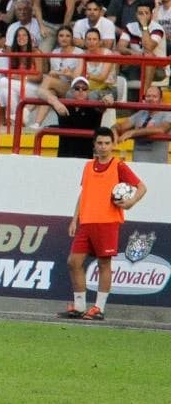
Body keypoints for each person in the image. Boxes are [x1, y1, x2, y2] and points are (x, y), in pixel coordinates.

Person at [60, 128, 147, 320]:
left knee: (103, 264)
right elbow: (84, 193)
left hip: (107, 222)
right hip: (87, 221)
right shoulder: (88, 166)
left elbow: (142, 187)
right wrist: (75, 218)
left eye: (107, 143)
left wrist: (131, 202)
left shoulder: (119, 166)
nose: (103, 147)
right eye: (100, 143)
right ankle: (80, 306)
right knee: (73, 262)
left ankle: (99, 308)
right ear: (94, 145)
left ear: (113, 145)